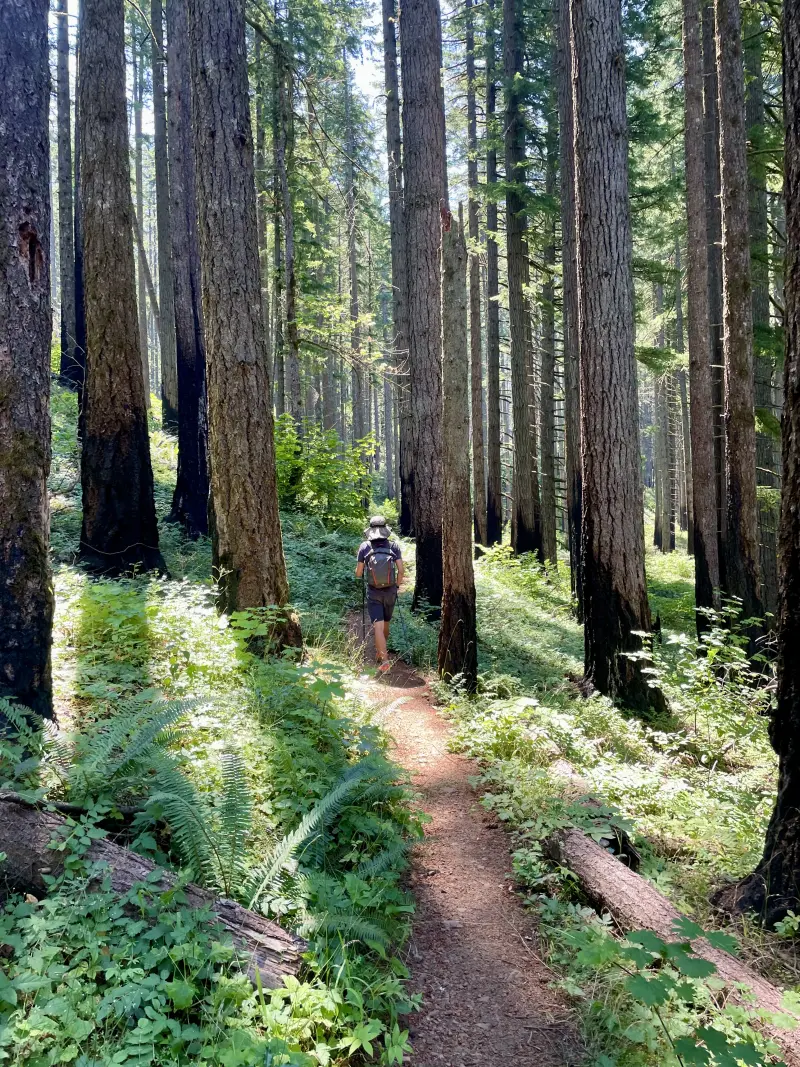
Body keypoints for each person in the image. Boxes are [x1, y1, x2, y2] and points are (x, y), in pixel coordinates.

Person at [355, 515, 404, 673]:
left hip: (373, 591)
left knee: (378, 626)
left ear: (370, 530)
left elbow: (358, 573)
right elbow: (401, 571)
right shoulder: (393, 546)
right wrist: (396, 585)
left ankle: (384, 662)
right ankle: (380, 652)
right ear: (385, 529)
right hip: (390, 591)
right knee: (386, 624)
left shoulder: (365, 547)